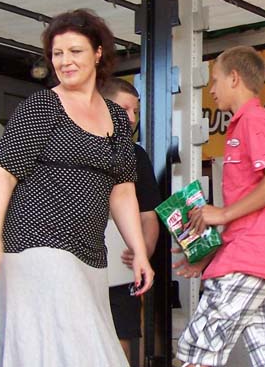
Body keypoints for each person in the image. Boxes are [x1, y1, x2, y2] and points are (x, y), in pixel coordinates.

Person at [0, 9, 154, 366]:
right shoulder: (42, 106)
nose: (65, 61)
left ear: (98, 53)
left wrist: (140, 251)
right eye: (57, 53)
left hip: (90, 251)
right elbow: (2, 174)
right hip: (36, 243)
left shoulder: (117, 118)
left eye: (75, 51)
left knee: (77, 349)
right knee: (79, 351)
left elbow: (123, 191)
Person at [174, 45, 265, 367]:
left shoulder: (254, 121)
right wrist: (208, 253)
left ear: (234, 78)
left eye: (214, 80)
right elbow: (252, 204)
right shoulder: (246, 123)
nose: (211, 90)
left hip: (250, 259)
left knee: (198, 350)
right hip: (262, 261)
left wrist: (222, 213)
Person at [101, 78, 161, 365]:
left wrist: (143, 251)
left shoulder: (136, 155)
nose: (132, 118)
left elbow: (149, 214)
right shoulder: (73, 144)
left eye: (135, 111)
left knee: (120, 339)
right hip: (77, 263)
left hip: (120, 267)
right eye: (125, 109)